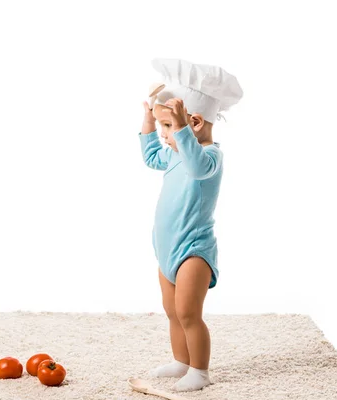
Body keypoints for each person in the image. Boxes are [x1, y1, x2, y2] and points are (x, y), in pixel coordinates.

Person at [138, 58, 243, 392]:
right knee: (171, 312)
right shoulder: (172, 151)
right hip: (167, 248)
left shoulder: (210, 157)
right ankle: (181, 361)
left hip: (193, 250)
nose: (164, 136)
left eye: (167, 127)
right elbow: (151, 157)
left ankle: (200, 370)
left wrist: (180, 129)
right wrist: (148, 119)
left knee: (187, 313)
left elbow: (197, 168)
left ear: (194, 122)